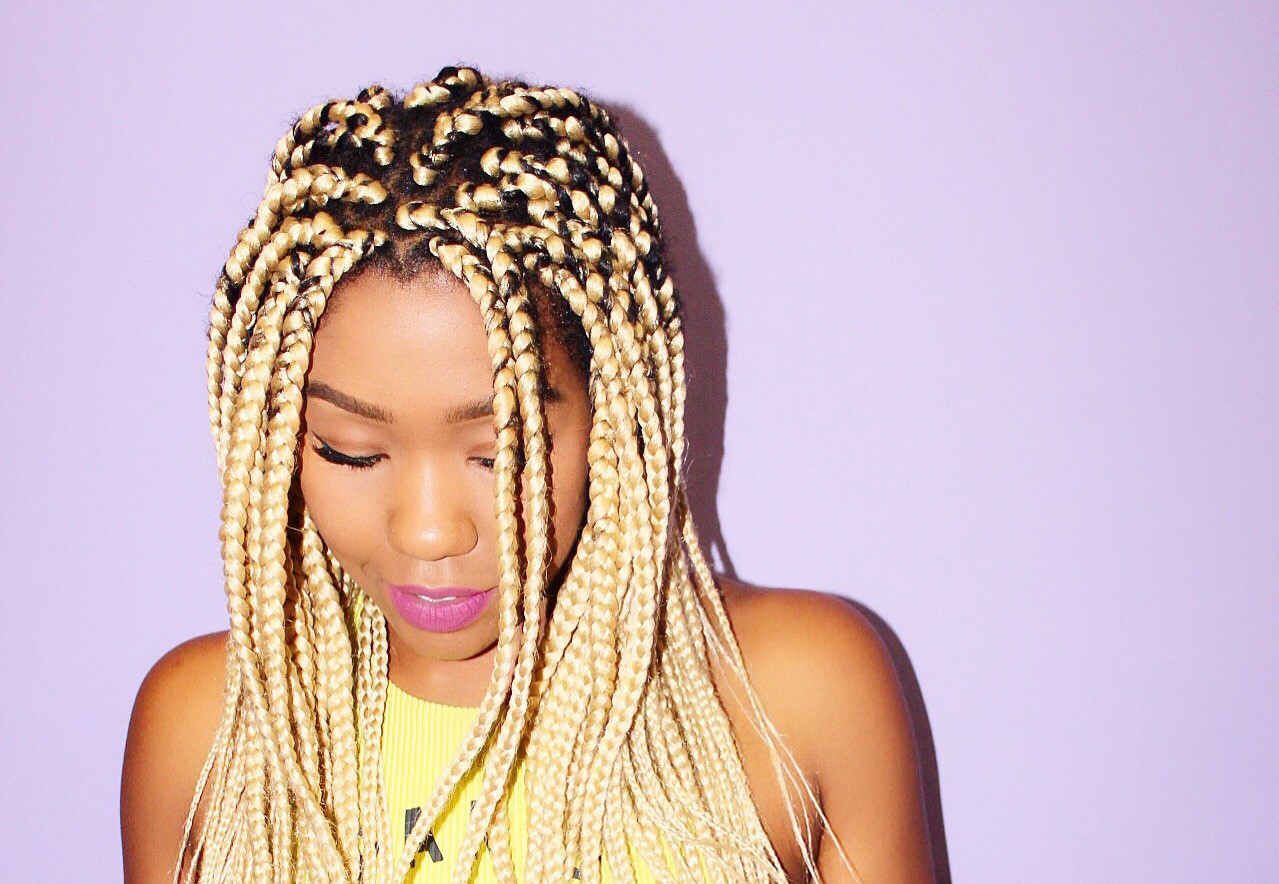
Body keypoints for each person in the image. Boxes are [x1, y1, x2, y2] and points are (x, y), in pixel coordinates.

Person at [120, 65, 935, 883]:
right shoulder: (208, 736)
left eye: (498, 453)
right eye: (351, 450)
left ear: (612, 417)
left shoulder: (799, 696)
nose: (428, 530)